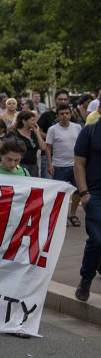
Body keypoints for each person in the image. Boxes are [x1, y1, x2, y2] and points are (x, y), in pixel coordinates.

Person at [73, 118, 100, 301]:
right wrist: (84, 192)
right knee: (98, 239)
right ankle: (86, 278)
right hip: (95, 194)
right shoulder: (89, 131)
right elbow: (79, 164)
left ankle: (88, 275)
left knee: (96, 241)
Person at [47, 103, 84, 226]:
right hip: (59, 166)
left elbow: (82, 146)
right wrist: (49, 163)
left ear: (70, 113)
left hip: (75, 166)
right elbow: (48, 147)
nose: (64, 116)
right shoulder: (53, 129)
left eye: (67, 113)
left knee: (78, 191)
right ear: (57, 115)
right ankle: (60, 216)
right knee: (60, 193)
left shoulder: (77, 127)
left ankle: (72, 214)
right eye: (62, 114)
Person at [5, 111, 44, 178]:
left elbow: (43, 147)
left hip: (33, 165)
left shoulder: (34, 133)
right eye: (32, 120)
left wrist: (37, 132)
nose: (35, 122)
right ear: (24, 121)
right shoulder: (14, 133)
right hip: (19, 165)